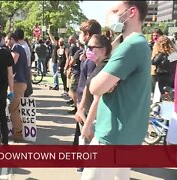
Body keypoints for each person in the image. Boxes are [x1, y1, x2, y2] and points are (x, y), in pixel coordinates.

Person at [82, 1, 150, 179]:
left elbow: (95, 87)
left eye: (115, 11)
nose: (110, 14)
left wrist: (103, 82)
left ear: (132, 12)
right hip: (126, 134)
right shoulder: (138, 43)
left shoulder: (131, 46)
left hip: (112, 136)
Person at [76, 35, 112, 141]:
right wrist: (80, 109)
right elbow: (87, 87)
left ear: (102, 50)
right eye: (87, 47)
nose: (88, 50)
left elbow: (98, 98)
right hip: (87, 117)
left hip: (95, 120)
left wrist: (87, 126)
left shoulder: (104, 67)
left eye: (91, 47)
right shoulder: (98, 66)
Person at [73, 19, 101, 150]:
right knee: (80, 134)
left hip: (86, 104)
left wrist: (81, 107)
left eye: (82, 33)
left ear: (88, 35)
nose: (81, 36)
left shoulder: (92, 59)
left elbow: (89, 85)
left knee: (86, 135)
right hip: (83, 102)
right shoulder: (89, 56)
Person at [5, 33, 29, 142]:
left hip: (17, 81)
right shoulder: (22, 48)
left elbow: (12, 62)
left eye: (6, 41)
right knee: (16, 107)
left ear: (11, 39)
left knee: (13, 108)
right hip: (22, 81)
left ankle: (18, 132)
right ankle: (19, 130)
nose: (6, 43)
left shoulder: (16, 47)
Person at [15, 29, 33, 97]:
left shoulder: (20, 47)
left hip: (22, 72)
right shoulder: (26, 45)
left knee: (22, 95)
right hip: (26, 71)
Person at [64, 35, 79, 113]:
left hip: (74, 71)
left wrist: (66, 68)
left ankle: (76, 107)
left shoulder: (72, 48)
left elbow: (70, 60)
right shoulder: (77, 48)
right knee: (73, 89)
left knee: (72, 90)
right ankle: (75, 103)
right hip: (76, 70)